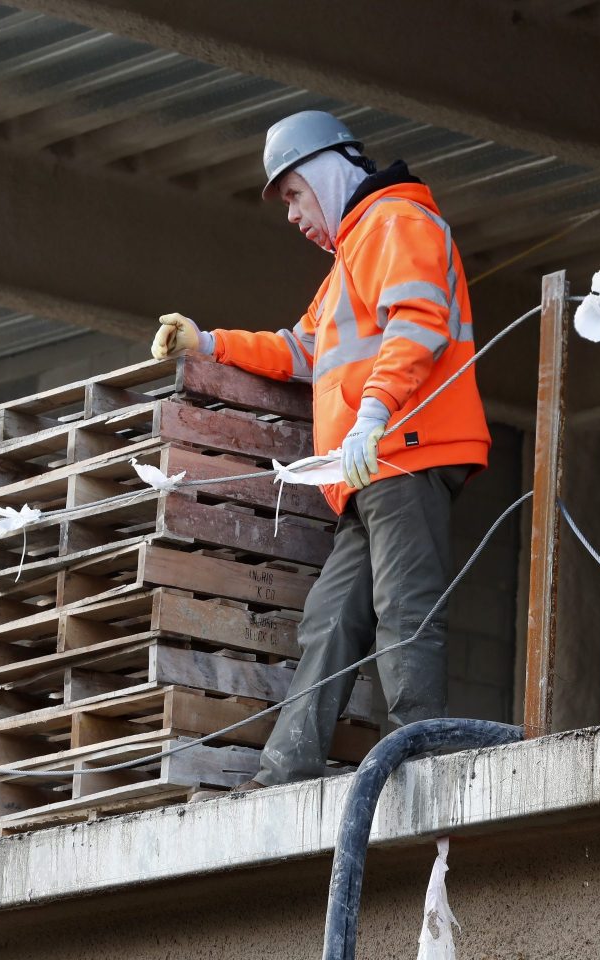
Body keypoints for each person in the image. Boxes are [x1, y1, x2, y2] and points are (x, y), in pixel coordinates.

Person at [152, 110, 489, 789]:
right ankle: (286, 770)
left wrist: (373, 415)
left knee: (404, 607)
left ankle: (419, 758)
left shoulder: (396, 222)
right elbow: (300, 350)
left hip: (403, 452)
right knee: (330, 618)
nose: (293, 215)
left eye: (295, 195)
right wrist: (208, 343)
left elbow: (418, 322)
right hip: (369, 467)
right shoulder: (352, 258)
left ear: (325, 173)